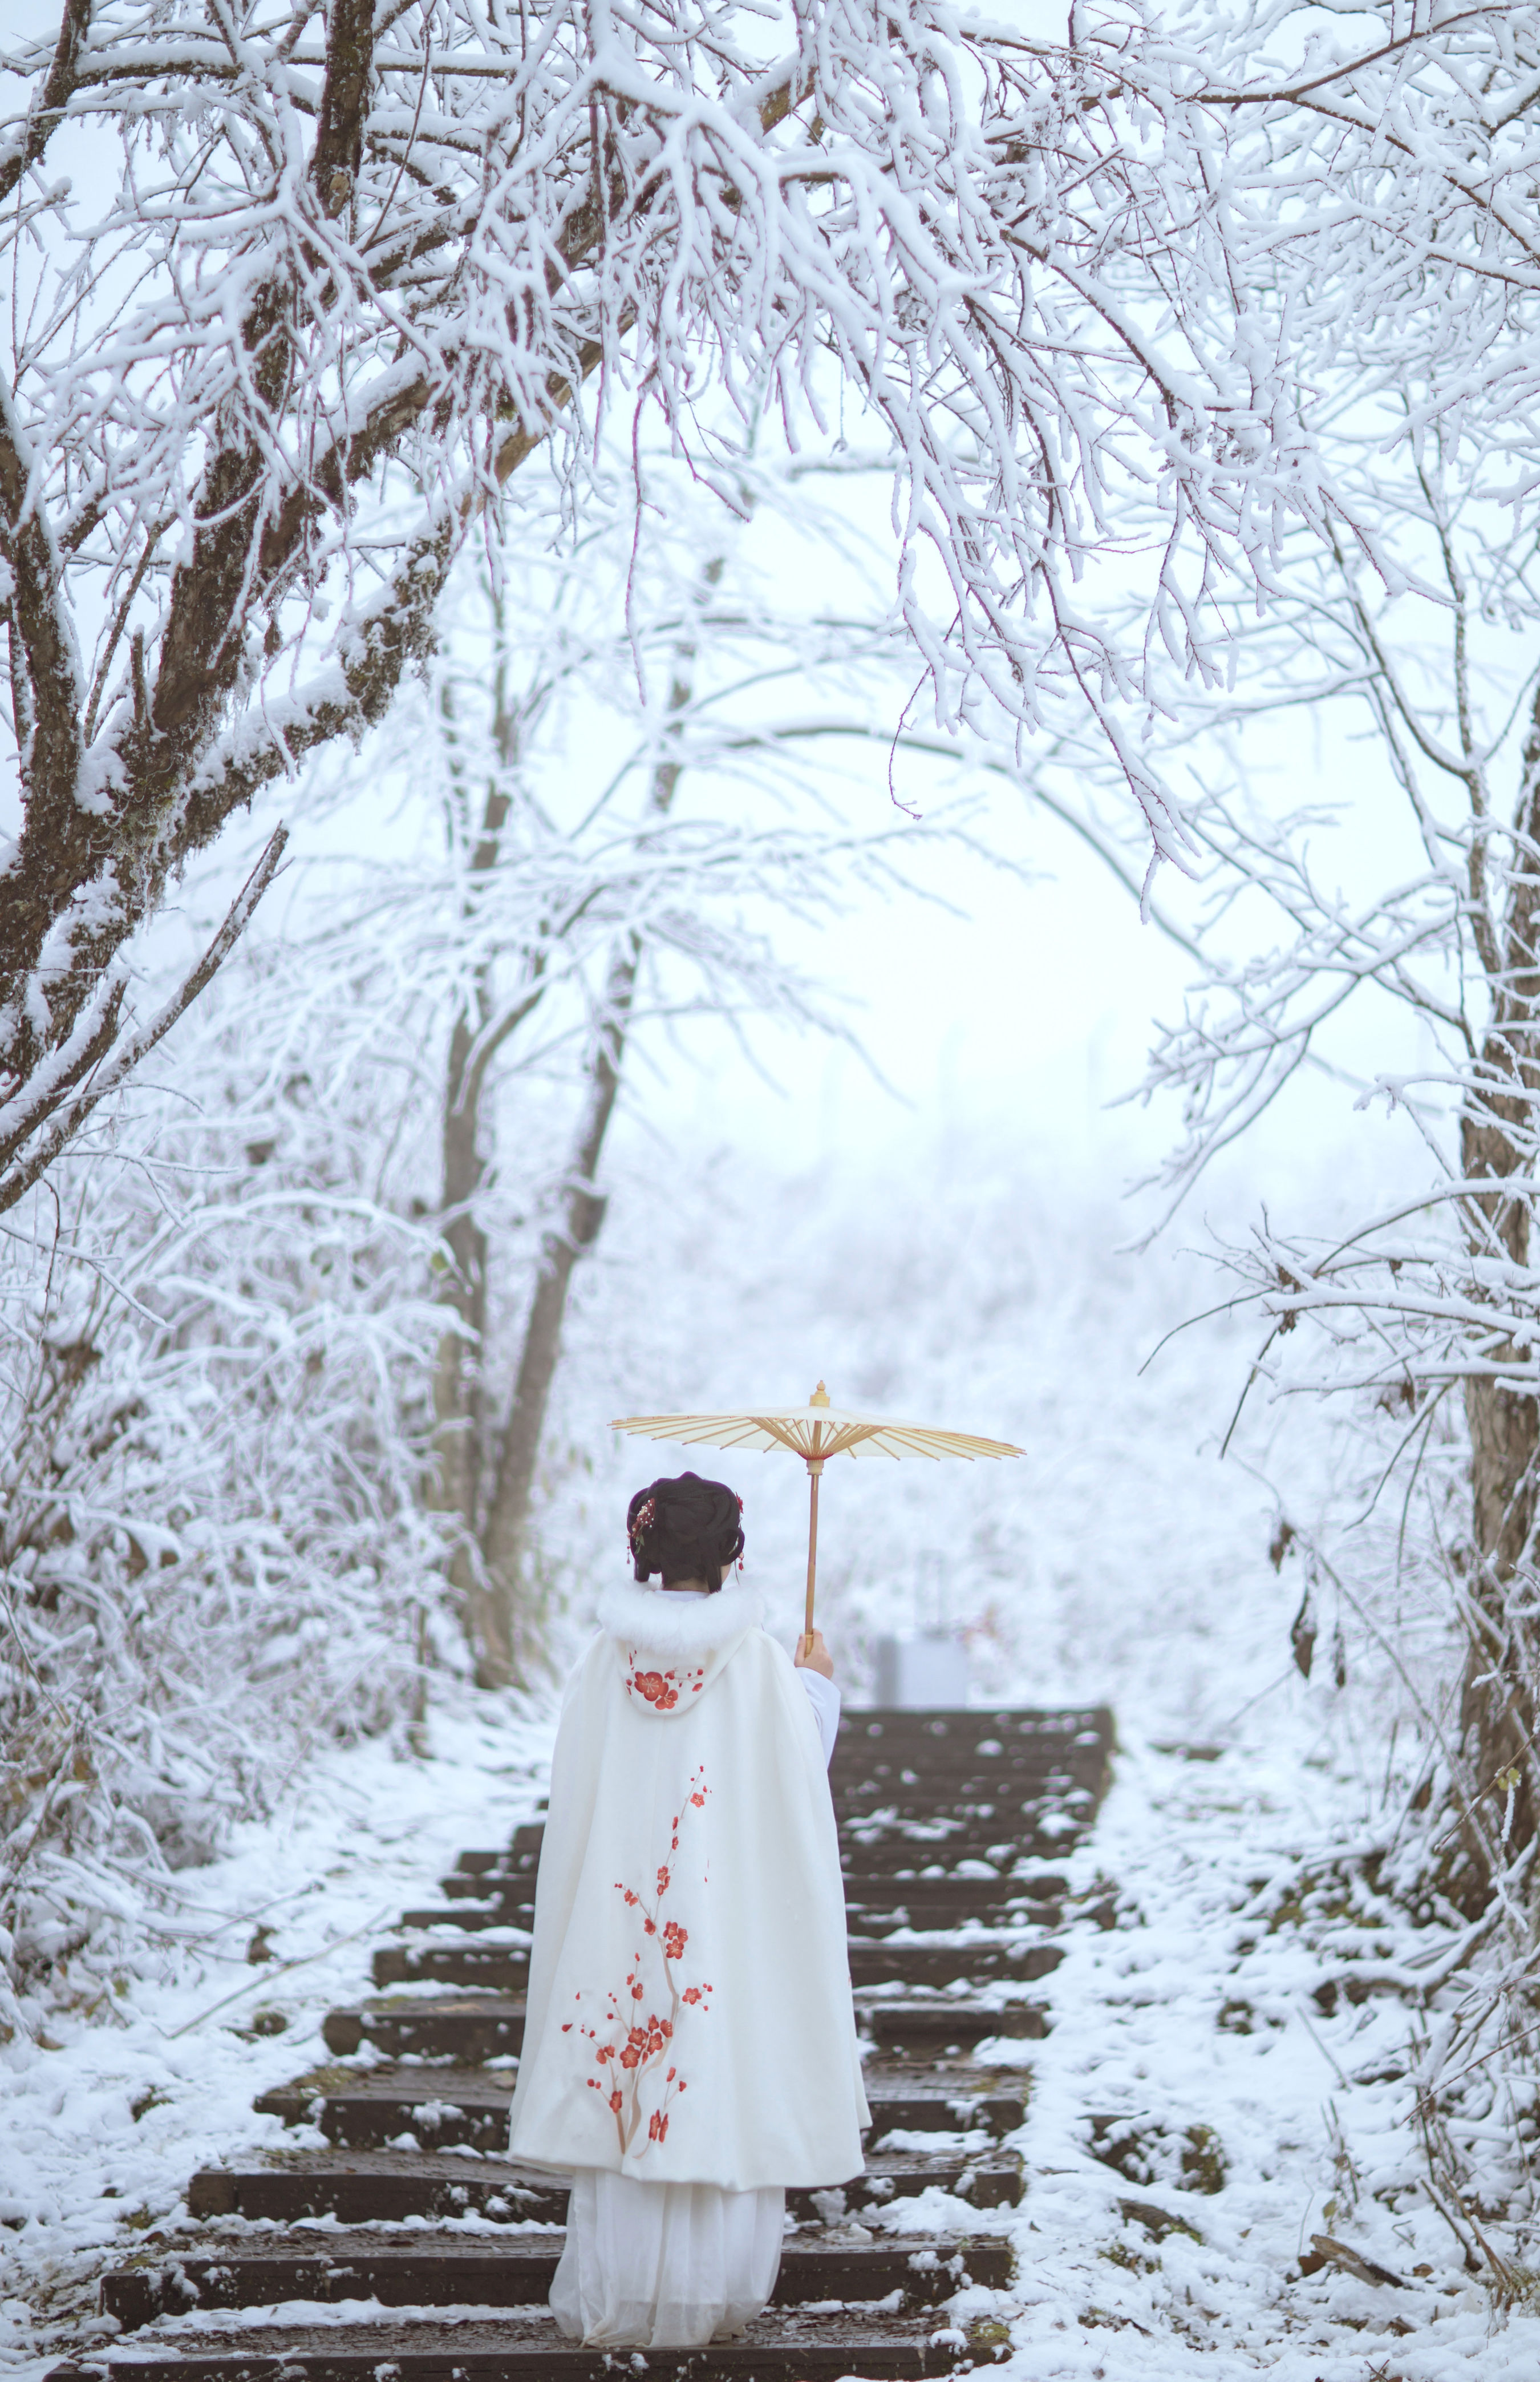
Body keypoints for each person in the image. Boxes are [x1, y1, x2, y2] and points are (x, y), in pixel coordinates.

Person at [507, 1470, 868, 2348]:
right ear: (731, 1555)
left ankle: (620, 2286)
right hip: (716, 1916)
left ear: (643, 1550)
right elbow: (792, 1784)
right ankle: (715, 2291)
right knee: (712, 2065)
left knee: (630, 2059)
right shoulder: (756, 1665)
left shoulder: (602, 1665)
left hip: (623, 1916)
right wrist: (815, 1683)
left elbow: (579, 1792)